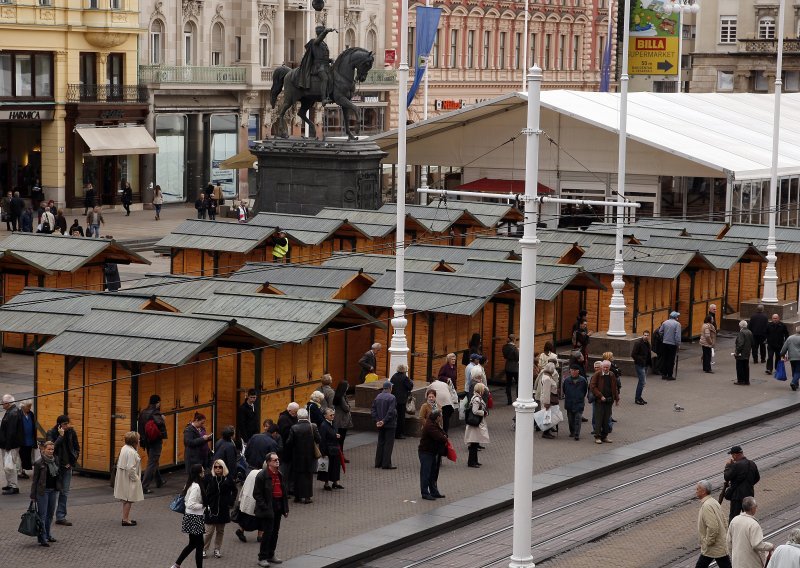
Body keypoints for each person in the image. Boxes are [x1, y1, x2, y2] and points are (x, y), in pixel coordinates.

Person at [254, 453, 289, 566]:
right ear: (268, 462)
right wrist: (265, 506)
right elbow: (257, 494)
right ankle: (262, 557)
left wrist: (285, 508)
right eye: (274, 460)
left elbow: (284, 492)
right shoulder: (262, 476)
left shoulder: (280, 474)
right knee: (268, 532)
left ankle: (271, 554)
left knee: (275, 532)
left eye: (278, 459)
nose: (277, 461)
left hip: (278, 505)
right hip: (269, 506)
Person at [170, 464, 207, 568]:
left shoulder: (189, 484)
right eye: (202, 472)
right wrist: (203, 506)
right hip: (195, 518)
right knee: (199, 545)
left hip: (190, 517)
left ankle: (176, 565)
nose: (204, 473)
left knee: (193, 544)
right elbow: (190, 504)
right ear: (198, 474)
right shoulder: (196, 487)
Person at [47, 415, 79, 526]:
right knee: (54, 492)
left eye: (67, 424)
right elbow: (51, 448)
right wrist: (60, 436)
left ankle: (60, 516)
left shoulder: (71, 432)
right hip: (56, 467)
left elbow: (76, 448)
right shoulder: (51, 433)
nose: (67, 426)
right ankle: (49, 516)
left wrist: (72, 461)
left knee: (64, 492)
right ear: (59, 424)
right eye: (64, 424)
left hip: (67, 467)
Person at [284, 408, 320, 504]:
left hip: (297, 456)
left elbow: (289, 442)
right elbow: (318, 439)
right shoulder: (312, 426)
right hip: (309, 456)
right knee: (308, 476)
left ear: (298, 416)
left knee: (297, 476)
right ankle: (307, 497)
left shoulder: (294, 428)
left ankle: (297, 496)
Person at [30, 440, 62, 546]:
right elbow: (35, 480)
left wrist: (59, 486)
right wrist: (33, 495)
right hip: (42, 492)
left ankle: (48, 535)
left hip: (53, 491)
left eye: (52, 449)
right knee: (42, 516)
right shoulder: (39, 463)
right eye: (49, 449)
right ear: (44, 449)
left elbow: (58, 475)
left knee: (50, 515)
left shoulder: (55, 460)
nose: (51, 451)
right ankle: (42, 538)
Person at [726, 497, 773, 568]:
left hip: (737, 563)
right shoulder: (754, 524)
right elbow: (757, 545)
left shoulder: (734, 520)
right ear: (752, 509)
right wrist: (770, 546)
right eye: (756, 506)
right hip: (750, 564)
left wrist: (733, 556)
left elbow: (728, 542)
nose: (756, 508)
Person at [695, 479, 732, 568]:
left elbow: (713, 527)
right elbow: (724, 521)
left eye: (697, 489)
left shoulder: (707, 506)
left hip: (713, 546)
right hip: (718, 545)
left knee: (700, 566)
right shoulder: (713, 502)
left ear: (703, 491)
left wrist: (708, 542)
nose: (695, 491)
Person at [203, 459, 235, 559]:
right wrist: (205, 504)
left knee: (220, 531)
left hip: (223, 509)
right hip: (211, 508)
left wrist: (230, 502)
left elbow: (235, 490)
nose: (217, 469)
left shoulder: (228, 478)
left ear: (223, 468)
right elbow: (202, 490)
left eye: (220, 467)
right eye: (215, 467)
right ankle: (203, 549)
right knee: (209, 532)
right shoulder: (209, 478)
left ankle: (217, 549)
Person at [298, 25, 336, 103]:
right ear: (321, 33)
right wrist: (326, 31)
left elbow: (323, 57)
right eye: (323, 32)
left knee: (333, 77)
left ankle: (331, 95)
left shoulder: (323, 44)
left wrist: (330, 60)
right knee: (324, 78)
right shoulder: (315, 42)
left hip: (325, 66)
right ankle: (323, 98)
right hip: (318, 67)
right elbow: (318, 58)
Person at [138, 394, 168, 493]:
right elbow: (160, 426)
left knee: (154, 461)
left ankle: (159, 481)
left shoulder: (143, 412)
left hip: (147, 441)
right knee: (152, 463)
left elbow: (141, 428)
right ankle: (144, 486)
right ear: (158, 402)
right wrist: (163, 419)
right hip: (155, 441)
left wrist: (142, 441)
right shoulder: (156, 413)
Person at [113, 431, 144, 526]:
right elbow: (130, 467)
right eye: (138, 439)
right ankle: (125, 520)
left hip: (124, 477)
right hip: (128, 479)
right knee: (128, 499)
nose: (139, 441)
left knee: (126, 499)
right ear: (134, 441)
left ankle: (125, 518)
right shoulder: (131, 452)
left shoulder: (125, 448)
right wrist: (136, 478)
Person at [723, 445, 760, 522]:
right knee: (748, 517)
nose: (732, 457)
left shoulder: (736, 465)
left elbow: (727, 477)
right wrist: (748, 485)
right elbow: (757, 478)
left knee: (733, 518)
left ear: (735, 455)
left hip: (737, 497)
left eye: (732, 455)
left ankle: (733, 533)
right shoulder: (752, 464)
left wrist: (728, 466)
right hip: (749, 496)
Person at [418, 408, 447, 501]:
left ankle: (434, 492)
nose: (442, 418)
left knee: (432, 473)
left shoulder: (434, 423)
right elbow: (440, 437)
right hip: (426, 452)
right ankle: (425, 493)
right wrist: (444, 437)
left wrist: (444, 435)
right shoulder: (430, 425)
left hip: (431, 452)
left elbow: (443, 434)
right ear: (438, 417)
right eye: (441, 416)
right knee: (425, 473)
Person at [589, 360, 619, 444]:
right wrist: (600, 396)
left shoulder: (612, 375)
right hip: (600, 401)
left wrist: (617, 398)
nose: (605, 369)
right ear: (602, 367)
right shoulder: (597, 374)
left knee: (607, 419)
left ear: (609, 368)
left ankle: (604, 436)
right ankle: (597, 436)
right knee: (599, 419)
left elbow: (614, 387)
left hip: (609, 400)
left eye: (607, 367)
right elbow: (593, 386)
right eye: (604, 367)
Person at [371, 381, 398, 469]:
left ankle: (378, 463)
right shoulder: (392, 397)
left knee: (381, 442)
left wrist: (378, 420)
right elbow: (391, 411)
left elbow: (373, 410)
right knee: (388, 444)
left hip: (380, 424)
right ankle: (386, 464)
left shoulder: (378, 396)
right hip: (390, 424)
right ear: (390, 388)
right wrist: (384, 420)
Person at [0, 393, 23, 494]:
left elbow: (11, 431)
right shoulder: (11, 411)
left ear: (7, 403)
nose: (1, 404)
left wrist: (8, 446)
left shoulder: (13, 413)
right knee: (7, 465)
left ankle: (14, 486)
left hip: (10, 445)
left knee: (11, 465)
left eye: (2, 403)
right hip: (7, 445)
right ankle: (10, 484)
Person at [318, 407, 343, 491]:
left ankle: (335, 482)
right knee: (327, 467)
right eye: (331, 415)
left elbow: (334, 433)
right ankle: (326, 484)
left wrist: (337, 436)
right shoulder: (323, 426)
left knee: (335, 466)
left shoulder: (333, 423)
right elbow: (322, 440)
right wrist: (323, 452)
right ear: (325, 416)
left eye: (333, 415)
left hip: (335, 449)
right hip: (328, 450)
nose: (332, 416)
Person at [465, 382, 489, 468]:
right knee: (474, 443)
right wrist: (484, 412)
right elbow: (475, 411)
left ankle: (474, 461)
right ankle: (472, 462)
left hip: (475, 423)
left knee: (475, 443)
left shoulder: (476, 397)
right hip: (475, 423)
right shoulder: (476, 399)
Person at [277, 402, 299, 491]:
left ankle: (290, 488)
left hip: (291, 450)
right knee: (285, 472)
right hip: (286, 451)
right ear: (289, 410)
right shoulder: (283, 419)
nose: (296, 414)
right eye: (295, 412)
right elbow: (285, 433)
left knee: (290, 471)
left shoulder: (290, 417)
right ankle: (284, 489)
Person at [562, 363, 588, 441]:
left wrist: (580, 397)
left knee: (578, 419)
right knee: (570, 419)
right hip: (569, 402)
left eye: (574, 370)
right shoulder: (567, 380)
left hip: (579, 403)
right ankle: (572, 431)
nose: (573, 372)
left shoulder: (583, 380)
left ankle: (577, 434)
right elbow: (564, 390)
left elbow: (584, 390)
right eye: (572, 370)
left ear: (578, 371)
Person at [390, 364, 414, 439]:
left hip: (394, 399)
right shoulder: (405, 378)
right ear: (404, 370)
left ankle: (393, 432)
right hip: (402, 400)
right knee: (401, 417)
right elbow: (410, 387)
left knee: (394, 416)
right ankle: (399, 434)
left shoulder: (393, 376)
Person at [539, 363, 560, 440]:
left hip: (547, 399)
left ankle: (548, 430)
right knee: (547, 416)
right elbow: (547, 392)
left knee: (548, 415)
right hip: (548, 400)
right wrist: (547, 403)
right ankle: (546, 433)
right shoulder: (547, 379)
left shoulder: (545, 376)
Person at [658, 311, 682, 380]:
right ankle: (669, 375)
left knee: (665, 359)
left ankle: (664, 374)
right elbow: (677, 336)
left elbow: (660, 331)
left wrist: (664, 337)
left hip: (665, 343)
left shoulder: (665, 322)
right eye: (677, 316)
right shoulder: (677, 324)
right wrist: (678, 344)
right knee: (671, 360)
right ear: (675, 317)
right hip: (672, 344)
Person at [631, 330, 653, 404]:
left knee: (642, 382)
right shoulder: (638, 343)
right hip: (640, 365)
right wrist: (640, 360)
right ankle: (637, 398)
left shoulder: (648, 344)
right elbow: (633, 354)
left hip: (645, 365)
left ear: (649, 336)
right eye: (645, 335)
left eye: (647, 335)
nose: (646, 336)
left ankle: (639, 397)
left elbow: (648, 354)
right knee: (642, 382)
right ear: (642, 335)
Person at [332, 380, 353, 454]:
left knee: (340, 438)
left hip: (338, 419)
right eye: (347, 386)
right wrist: (349, 406)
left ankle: (340, 455)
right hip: (342, 420)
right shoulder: (341, 397)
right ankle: (340, 455)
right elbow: (346, 408)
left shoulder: (337, 395)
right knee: (341, 438)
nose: (348, 387)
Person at [779, 325, 800, 391]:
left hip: (792, 357)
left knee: (794, 370)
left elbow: (784, 348)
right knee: (798, 371)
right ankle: (793, 382)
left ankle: (796, 384)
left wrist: (782, 354)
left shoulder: (790, 338)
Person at [18, 400, 35, 479]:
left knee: (27, 456)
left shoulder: (31, 414)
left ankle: (23, 470)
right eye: (28, 406)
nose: (30, 408)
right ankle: (20, 472)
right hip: (21, 440)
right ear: (23, 407)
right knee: (21, 456)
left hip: (29, 439)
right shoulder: (18, 414)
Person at [734, 320, 754, 386]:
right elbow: (752, 343)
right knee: (746, 367)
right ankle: (746, 380)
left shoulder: (741, 333)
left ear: (740, 326)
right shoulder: (749, 332)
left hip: (741, 353)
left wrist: (737, 352)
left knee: (740, 367)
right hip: (747, 352)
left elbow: (740, 344)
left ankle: (740, 380)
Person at [502, 335, 520, 405]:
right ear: (513, 340)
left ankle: (509, 400)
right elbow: (517, 357)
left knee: (508, 384)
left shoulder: (504, 347)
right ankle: (518, 398)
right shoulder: (515, 348)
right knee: (518, 383)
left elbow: (505, 356)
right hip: (515, 367)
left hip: (508, 366)